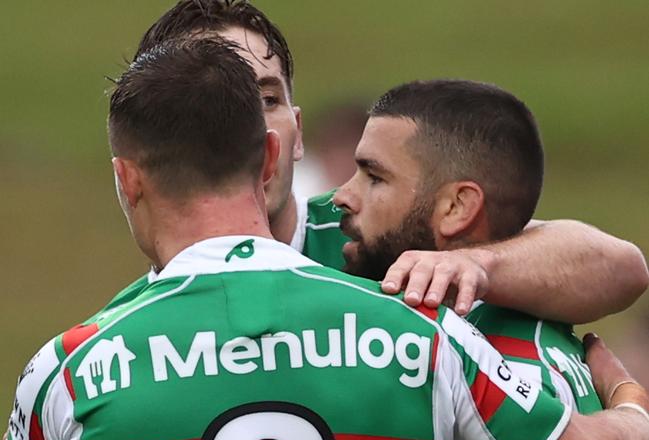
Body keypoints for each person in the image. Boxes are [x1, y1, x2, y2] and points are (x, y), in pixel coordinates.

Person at [2, 37, 649, 440]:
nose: (345, 192)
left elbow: (614, 263)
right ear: (269, 158)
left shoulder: (69, 368)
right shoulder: (424, 333)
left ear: (127, 179)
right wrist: (626, 398)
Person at [117, 0, 649, 324]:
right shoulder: (121, 333)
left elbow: (618, 268)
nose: (249, 128)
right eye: (215, 108)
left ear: (296, 134)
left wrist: (478, 265)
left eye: (267, 100)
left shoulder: (373, 233)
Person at [330, 79, 635, 440]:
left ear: (457, 207)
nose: (341, 196)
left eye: (374, 177)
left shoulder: (504, 369)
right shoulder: (532, 311)